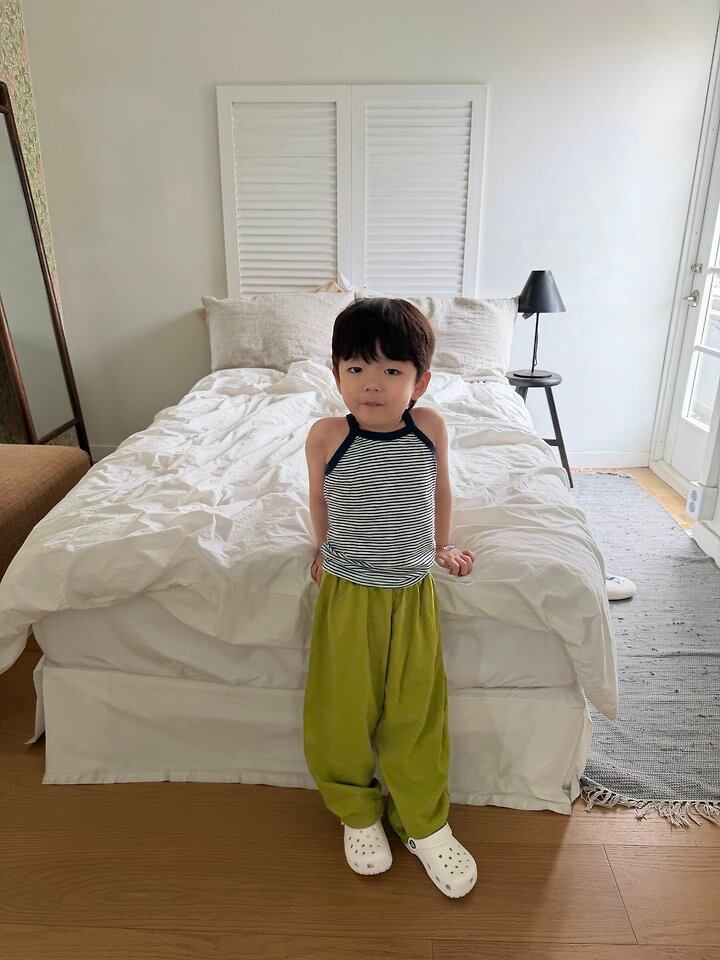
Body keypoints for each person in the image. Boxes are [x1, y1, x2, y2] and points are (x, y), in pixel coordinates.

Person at [302, 297, 478, 899]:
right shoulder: (327, 435)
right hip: (349, 593)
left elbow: (440, 489)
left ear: (419, 382)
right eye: (355, 369)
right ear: (336, 375)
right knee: (342, 706)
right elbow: (319, 499)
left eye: (391, 370)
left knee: (416, 710)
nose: (371, 384)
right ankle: (357, 812)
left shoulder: (429, 427)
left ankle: (424, 822)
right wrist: (321, 550)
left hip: (413, 590)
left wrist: (444, 545)